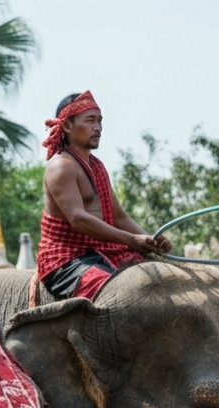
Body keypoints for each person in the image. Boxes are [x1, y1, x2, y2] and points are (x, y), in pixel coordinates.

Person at [38, 91, 171, 301]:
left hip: (104, 251)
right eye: (90, 121)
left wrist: (151, 241)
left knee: (164, 277)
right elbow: (78, 219)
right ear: (67, 126)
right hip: (66, 260)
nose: (98, 128)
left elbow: (119, 217)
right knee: (121, 296)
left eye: (100, 121)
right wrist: (132, 240)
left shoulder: (97, 166)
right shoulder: (61, 167)